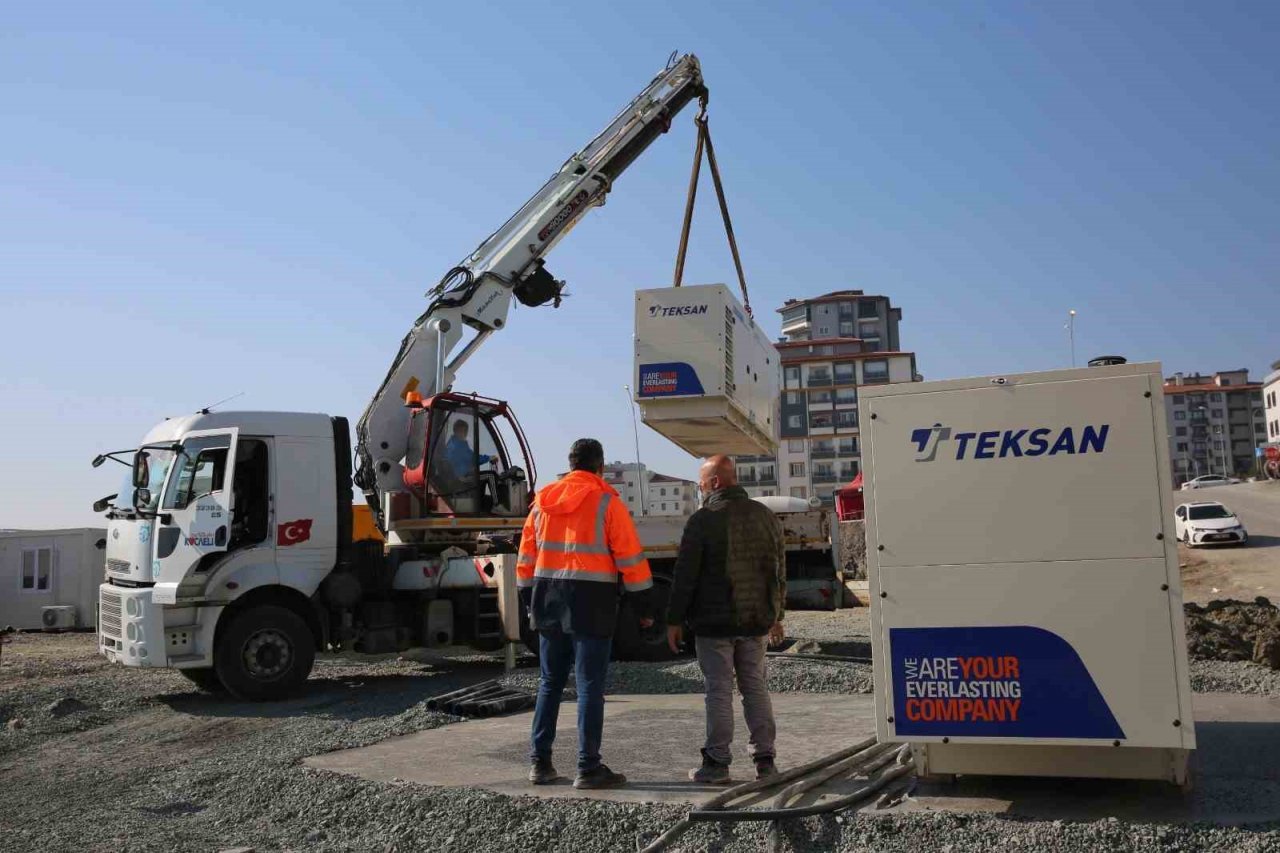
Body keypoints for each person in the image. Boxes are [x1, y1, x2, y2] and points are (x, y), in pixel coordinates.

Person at [516, 438, 655, 789]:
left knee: (549, 683)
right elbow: (631, 560)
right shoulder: (607, 503)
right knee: (589, 687)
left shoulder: (541, 504)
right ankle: (587, 767)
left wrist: (528, 600)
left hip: (548, 599)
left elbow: (526, 559)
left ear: (570, 463)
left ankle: (540, 763)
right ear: (600, 466)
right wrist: (644, 609)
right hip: (592, 602)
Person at [666, 455, 786, 783]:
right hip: (756, 620)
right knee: (755, 687)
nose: (701, 488)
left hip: (714, 624)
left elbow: (685, 576)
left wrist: (674, 619)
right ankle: (765, 761)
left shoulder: (703, 520)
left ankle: (717, 763)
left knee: (719, 690)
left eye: (702, 482)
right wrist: (777, 615)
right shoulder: (767, 517)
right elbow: (778, 572)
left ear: (716, 482)